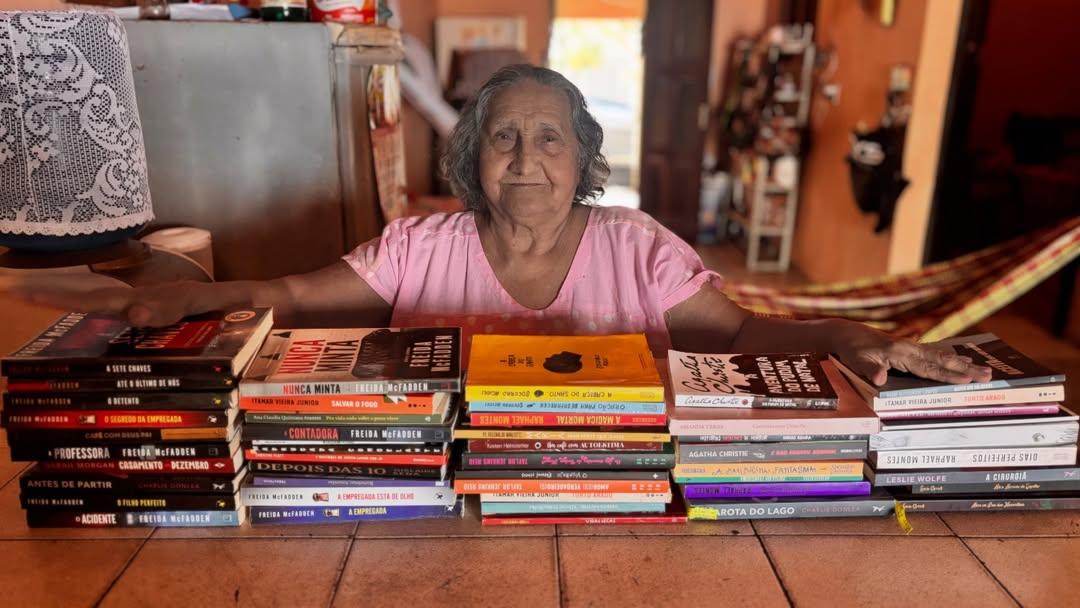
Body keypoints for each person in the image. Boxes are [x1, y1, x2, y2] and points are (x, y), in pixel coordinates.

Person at [13, 65, 989, 387]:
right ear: (472, 158)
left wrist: (848, 336)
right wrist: (193, 293)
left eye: (551, 138)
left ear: (583, 157)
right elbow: (293, 294)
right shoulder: (421, 248)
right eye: (504, 137)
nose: (527, 157)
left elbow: (737, 336)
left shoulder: (639, 247)